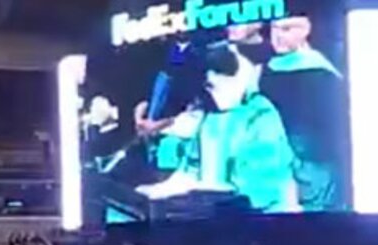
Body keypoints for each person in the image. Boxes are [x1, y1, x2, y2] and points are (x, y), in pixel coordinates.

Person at [141, 45, 300, 215]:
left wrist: (198, 192)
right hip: (217, 216)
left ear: (236, 79)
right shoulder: (211, 116)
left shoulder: (261, 115)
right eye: (208, 87)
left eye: (216, 86)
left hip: (266, 218)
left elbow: (258, 189)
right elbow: (191, 169)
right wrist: (162, 190)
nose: (214, 95)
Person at [253, 16, 346, 212]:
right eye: (273, 29)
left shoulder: (323, 74)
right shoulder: (265, 71)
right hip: (274, 167)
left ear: (305, 30)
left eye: (285, 29)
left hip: (313, 169)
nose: (277, 37)